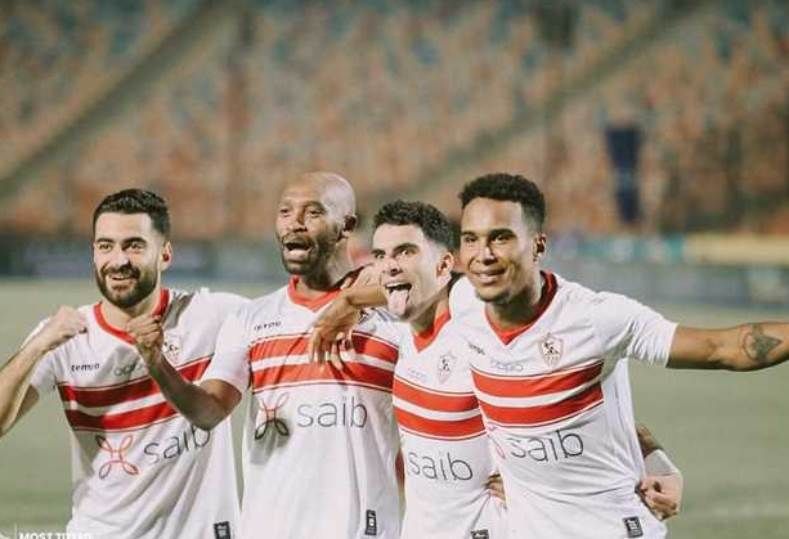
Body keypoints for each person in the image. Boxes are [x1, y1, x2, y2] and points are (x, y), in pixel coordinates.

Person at [312, 199, 684, 536]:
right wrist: (350, 301)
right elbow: (400, 286)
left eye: (407, 252)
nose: (389, 266)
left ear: (445, 264)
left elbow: (576, 407)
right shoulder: (400, 329)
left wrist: (660, 465)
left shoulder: (479, 330)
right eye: (380, 255)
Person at [450, 172, 787, 537]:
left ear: (538, 245)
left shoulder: (596, 318)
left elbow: (721, 348)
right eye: (471, 239)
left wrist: (657, 461)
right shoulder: (462, 302)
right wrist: (659, 462)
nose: (483, 255)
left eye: (501, 237)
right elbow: (571, 420)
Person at [129, 172, 403, 538]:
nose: (295, 223)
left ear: (347, 226)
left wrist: (355, 299)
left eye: (313, 212)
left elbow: (448, 288)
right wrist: (156, 363)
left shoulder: (393, 319)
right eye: (285, 211)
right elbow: (208, 412)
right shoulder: (252, 319)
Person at [0, 189, 244, 538]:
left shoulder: (213, 315)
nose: (118, 260)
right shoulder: (65, 337)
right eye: (106, 246)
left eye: (134, 246)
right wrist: (37, 345)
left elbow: (293, 314)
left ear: (165, 255)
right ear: (93, 254)